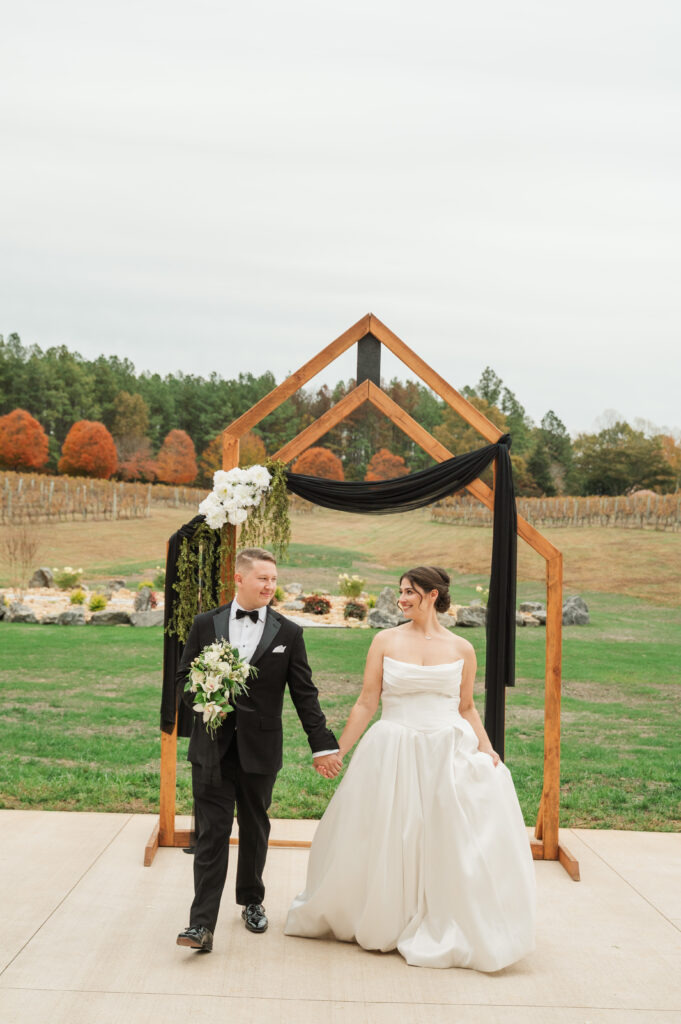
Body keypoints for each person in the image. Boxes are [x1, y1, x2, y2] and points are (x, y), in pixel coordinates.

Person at [285, 565, 536, 972]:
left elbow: (467, 707)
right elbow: (367, 702)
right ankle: (384, 913)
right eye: (400, 591)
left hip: (446, 748)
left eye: (409, 592)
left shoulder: (462, 649)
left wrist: (489, 749)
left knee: (443, 834)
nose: (401, 599)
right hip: (393, 746)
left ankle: (445, 914)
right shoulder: (384, 640)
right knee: (388, 830)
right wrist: (338, 751)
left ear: (433, 595)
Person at [176, 547, 341, 953]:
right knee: (212, 833)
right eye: (262, 578)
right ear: (240, 579)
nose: (270, 585)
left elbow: (305, 693)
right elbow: (182, 679)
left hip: (260, 748)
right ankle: (201, 925)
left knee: (254, 828)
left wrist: (322, 745)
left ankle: (251, 899)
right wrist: (206, 688)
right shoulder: (204, 624)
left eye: (273, 579)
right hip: (212, 746)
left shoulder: (288, 633)